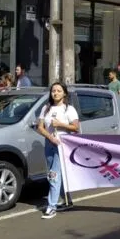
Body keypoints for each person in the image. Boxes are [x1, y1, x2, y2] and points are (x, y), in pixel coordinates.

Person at [36, 83, 80, 219]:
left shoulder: (69, 109)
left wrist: (60, 124)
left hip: (62, 145)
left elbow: (75, 127)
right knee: (52, 173)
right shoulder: (46, 108)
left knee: (54, 174)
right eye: (53, 91)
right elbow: (40, 127)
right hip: (49, 143)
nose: (55, 93)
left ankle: (51, 206)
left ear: (64, 93)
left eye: (59, 91)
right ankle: (67, 200)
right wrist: (50, 137)